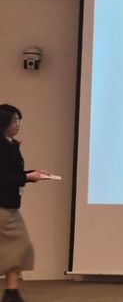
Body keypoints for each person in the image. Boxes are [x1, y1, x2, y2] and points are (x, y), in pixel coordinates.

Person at [0, 105, 49, 302]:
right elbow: (3, 178)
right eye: (14, 121)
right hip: (2, 206)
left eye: (19, 120)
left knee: (17, 249)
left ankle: (11, 292)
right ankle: (11, 293)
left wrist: (32, 174)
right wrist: (27, 177)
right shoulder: (1, 146)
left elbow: (12, 174)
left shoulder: (10, 144)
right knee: (18, 247)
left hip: (9, 205)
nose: (18, 125)